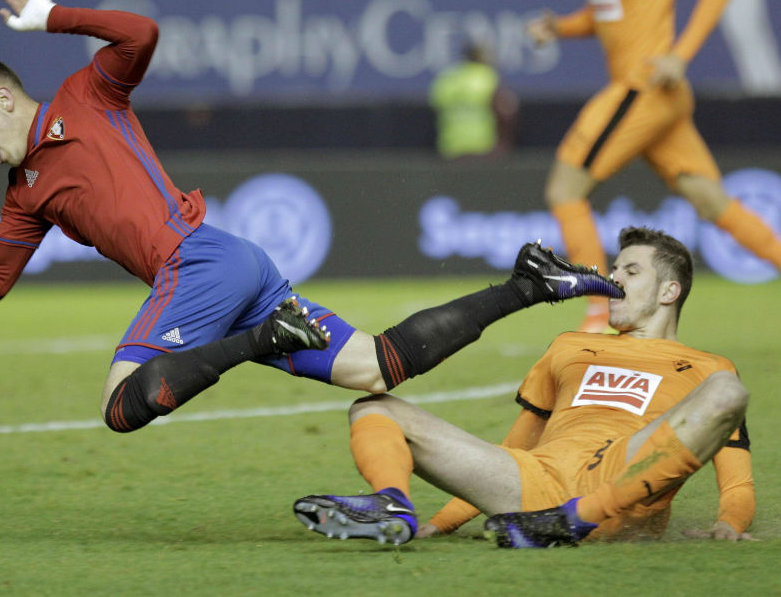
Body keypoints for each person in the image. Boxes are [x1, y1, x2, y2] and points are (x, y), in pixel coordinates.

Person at [0, 0, 623, 436]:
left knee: (118, 407)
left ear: (4, 96)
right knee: (376, 368)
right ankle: (528, 284)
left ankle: (259, 339)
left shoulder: (85, 93)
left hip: (200, 262)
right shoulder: (24, 192)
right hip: (231, 263)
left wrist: (53, 17)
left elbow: (139, 34)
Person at [293, 226, 754, 548]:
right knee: (374, 407)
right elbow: (517, 446)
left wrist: (729, 523)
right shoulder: (570, 345)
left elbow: (737, 482)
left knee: (727, 392)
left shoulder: (708, 367)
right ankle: (394, 507)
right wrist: (443, 524)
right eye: (615, 269)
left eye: (631, 272)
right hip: (537, 487)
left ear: (669, 292)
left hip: (620, 487)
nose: (613, 278)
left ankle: (577, 520)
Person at [528, 0, 781, 332]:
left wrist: (679, 55)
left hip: (645, 87)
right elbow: (608, 14)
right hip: (655, 96)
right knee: (711, 201)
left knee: (565, 191)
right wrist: (561, 27)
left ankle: (598, 312)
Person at [428, 41, 517, 159]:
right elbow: (505, 113)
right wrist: (503, 145)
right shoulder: (487, 77)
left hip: (450, 148)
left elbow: (436, 109)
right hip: (482, 147)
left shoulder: (446, 80)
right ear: (481, 57)